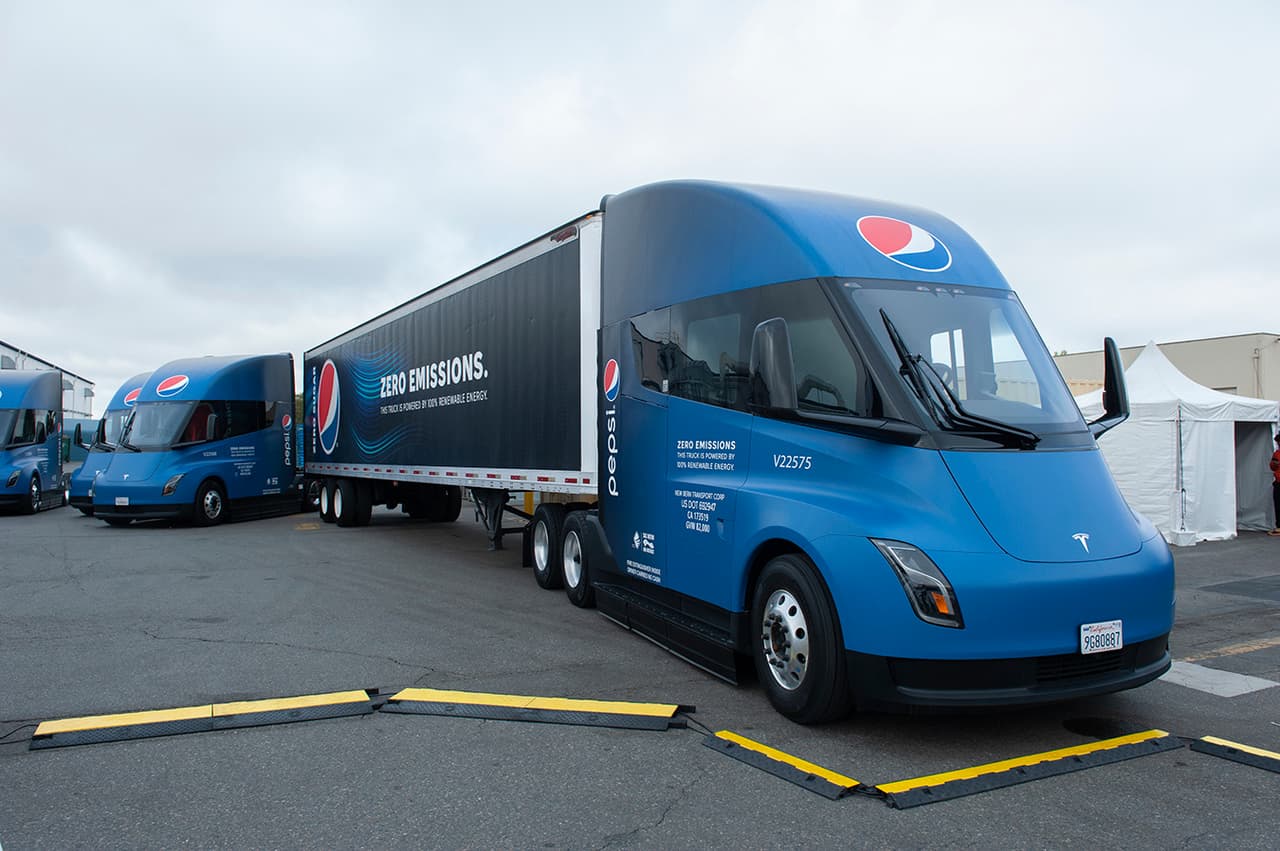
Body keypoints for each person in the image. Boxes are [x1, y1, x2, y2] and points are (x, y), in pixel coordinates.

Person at [1271, 432, 1280, 536]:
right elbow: (1272, 467)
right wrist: (1274, 464)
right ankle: (1279, 526)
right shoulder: (1276, 453)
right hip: (1278, 482)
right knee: (1278, 505)